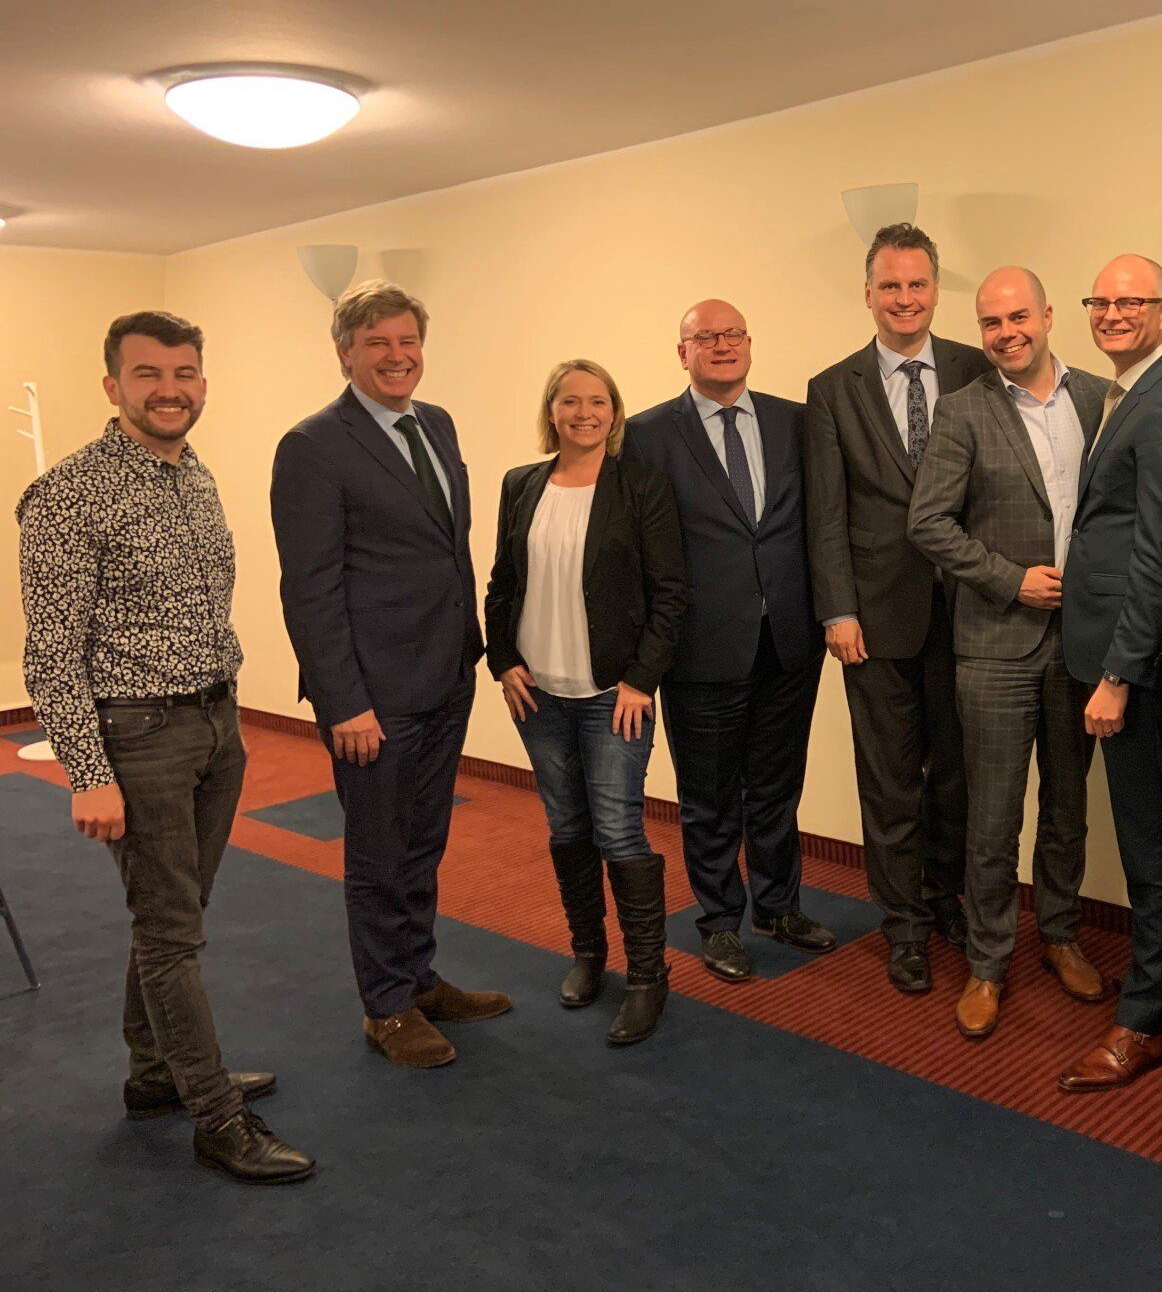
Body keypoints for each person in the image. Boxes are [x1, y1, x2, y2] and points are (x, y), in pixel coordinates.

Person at [18, 311, 312, 1183]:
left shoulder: (196, 474)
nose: (169, 389)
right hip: (137, 736)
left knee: (173, 915)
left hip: (217, 725)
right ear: (113, 385)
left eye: (184, 373)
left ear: (203, 384)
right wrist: (87, 773)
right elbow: (51, 653)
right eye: (148, 374)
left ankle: (155, 1075)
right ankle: (215, 1116)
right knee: (171, 931)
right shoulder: (68, 494)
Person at [270, 280, 509, 1069]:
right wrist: (343, 702)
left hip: (445, 675)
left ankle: (419, 979)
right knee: (378, 854)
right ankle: (386, 1007)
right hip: (372, 697)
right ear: (345, 353)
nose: (396, 356)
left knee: (423, 842)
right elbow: (310, 589)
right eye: (377, 343)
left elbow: (444, 546)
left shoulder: (434, 423)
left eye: (407, 341)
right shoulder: (313, 445)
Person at [906, 266, 1109, 1038]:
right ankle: (988, 962)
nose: (1006, 333)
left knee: (1067, 808)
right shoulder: (963, 411)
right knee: (991, 818)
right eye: (991, 322)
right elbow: (928, 522)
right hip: (993, 644)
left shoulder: (1099, 399)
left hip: (1081, 642)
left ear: (1048, 314)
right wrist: (1009, 579)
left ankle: (1059, 935)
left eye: (1018, 316)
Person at [624, 301, 836, 984]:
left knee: (777, 786)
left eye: (733, 334)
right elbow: (638, 551)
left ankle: (779, 906)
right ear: (681, 352)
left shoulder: (794, 421)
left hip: (789, 640)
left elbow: (818, 522)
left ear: (749, 343)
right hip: (701, 647)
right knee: (710, 797)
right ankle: (719, 921)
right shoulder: (646, 436)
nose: (722, 345)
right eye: (705, 337)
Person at [805, 224, 990, 993]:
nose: (905, 299)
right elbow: (826, 512)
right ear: (868, 293)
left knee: (957, 775)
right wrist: (837, 610)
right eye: (890, 286)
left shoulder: (977, 368)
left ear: (936, 290)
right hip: (875, 617)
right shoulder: (832, 388)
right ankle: (904, 925)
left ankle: (945, 899)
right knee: (889, 780)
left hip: (971, 610)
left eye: (917, 284)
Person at [1056, 254, 1162, 1092]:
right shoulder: (1130, 393)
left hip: (1135, 661)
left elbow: (1160, 555)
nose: (1113, 314)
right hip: (1115, 648)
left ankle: (1144, 1021)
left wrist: (1119, 674)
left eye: (1132, 302)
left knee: (1147, 841)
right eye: (1102, 301)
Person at [485, 360, 687, 1044]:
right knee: (568, 828)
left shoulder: (642, 488)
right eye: (570, 401)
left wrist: (641, 680)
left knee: (619, 831)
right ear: (552, 411)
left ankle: (648, 977)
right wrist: (503, 661)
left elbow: (671, 594)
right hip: (539, 696)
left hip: (612, 696)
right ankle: (588, 954)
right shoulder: (521, 484)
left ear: (614, 412)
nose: (584, 413)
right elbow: (502, 583)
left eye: (597, 401)